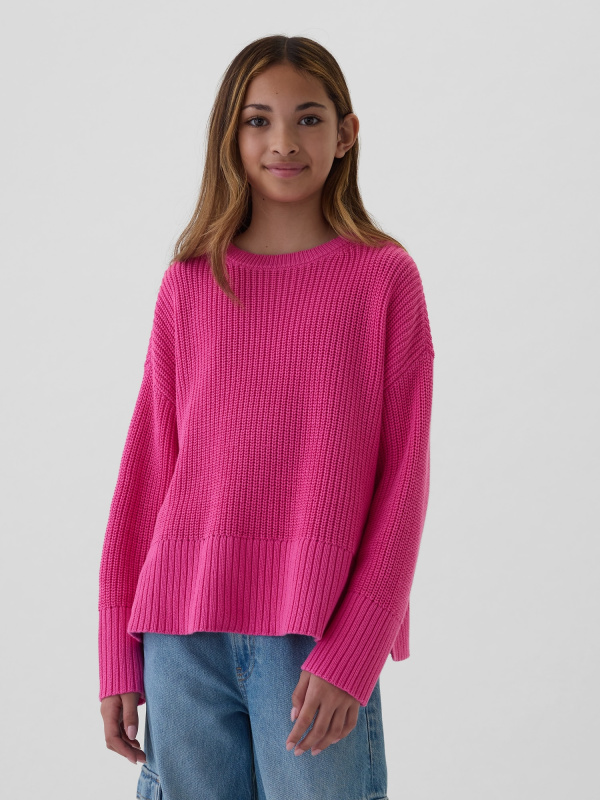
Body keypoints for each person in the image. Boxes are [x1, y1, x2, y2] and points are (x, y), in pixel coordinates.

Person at [98, 33, 435, 800]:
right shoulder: (190, 282)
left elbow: (404, 486)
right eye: (259, 120)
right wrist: (118, 646)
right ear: (232, 134)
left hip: (312, 638)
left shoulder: (383, 280)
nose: (284, 141)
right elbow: (148, 471)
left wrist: (355, 651)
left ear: (346, 134)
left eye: (308, 118)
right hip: (180, 638)